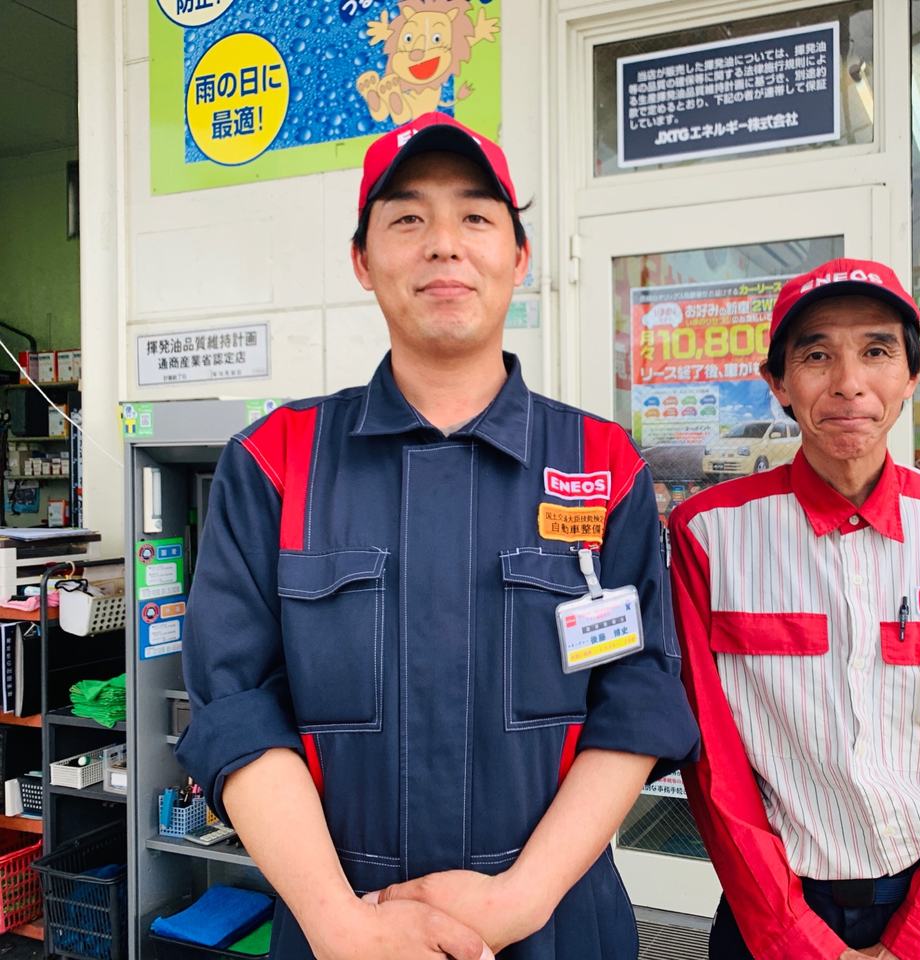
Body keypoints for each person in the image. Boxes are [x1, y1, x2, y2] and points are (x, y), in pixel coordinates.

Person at [177, 111, 699, 960]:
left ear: (518, 258)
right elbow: (236, 709)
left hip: (555, 924)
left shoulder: (602, 464)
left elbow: (636, 702)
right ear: (363, 259)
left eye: (476, 217)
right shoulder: (275, 462)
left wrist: (515, 904)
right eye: (408, 218)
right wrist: (344, 928)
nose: (444, 245)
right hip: (341, 921)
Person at [668, 258, 920, 960]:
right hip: (770, 913)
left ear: (913, 371)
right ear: (776, 381)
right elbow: (712, 759)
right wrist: (796, 939)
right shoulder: (708, 535)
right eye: (815, 355)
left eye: (876, 351)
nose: (848, 383)